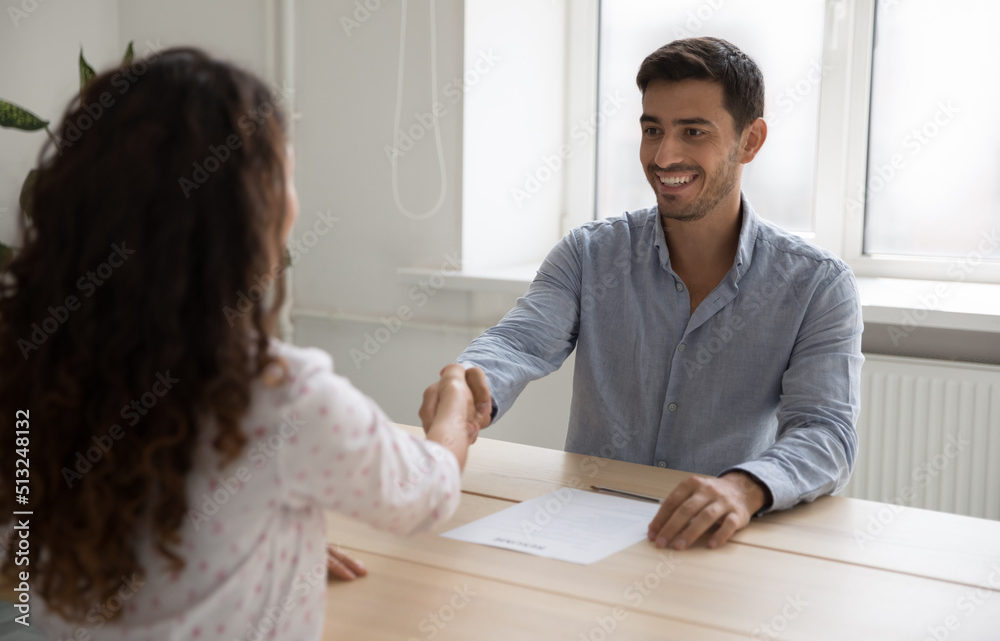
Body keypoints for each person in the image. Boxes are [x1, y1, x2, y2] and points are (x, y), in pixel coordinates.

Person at [0, 47, 481, 640]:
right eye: (284, 176)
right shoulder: (283, 396)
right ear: (245, 219)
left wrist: (260, 535)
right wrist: (454, 405)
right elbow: (426, 494)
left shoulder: (29, 360)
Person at [421, 36, 863, 552]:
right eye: (652, 130)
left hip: (720, 542)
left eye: (693, 132)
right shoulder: (590, 254)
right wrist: (466, 388)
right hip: (578, 531)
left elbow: (825, 432)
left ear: (750, 141)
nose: (664, 155)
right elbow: (518, 344)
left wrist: (742, 489)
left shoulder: (817, 285)